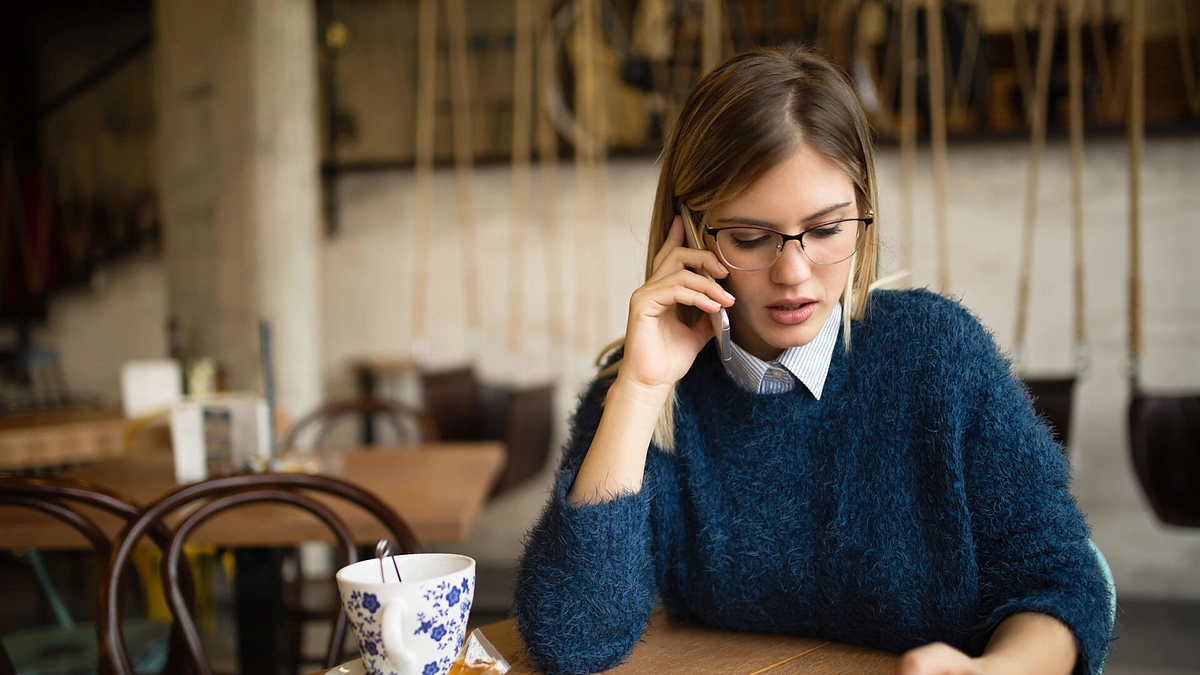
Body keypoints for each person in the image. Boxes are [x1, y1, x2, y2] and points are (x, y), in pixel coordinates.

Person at [514, 45, 1113, 675]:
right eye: (751, 238)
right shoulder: (647, 391)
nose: (794, 273)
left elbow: (1062, 584)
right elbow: (572, 641)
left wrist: (996, 672)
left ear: (862, 213)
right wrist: (640, 392)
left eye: (826, 230)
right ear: (687, 230)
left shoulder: (937, 355)